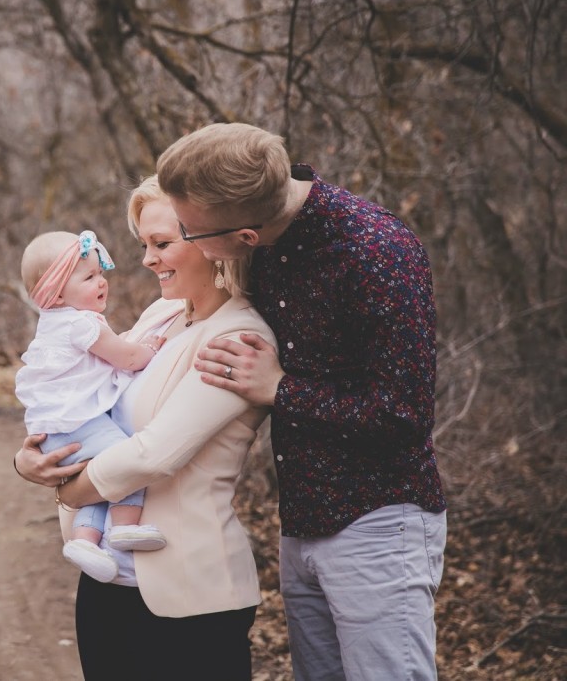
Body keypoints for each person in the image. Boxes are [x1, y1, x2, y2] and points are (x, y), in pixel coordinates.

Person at [155, 122, 448, 681]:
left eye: (189, 232)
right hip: (304, 522)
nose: (184, 238)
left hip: (378, 522)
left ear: (243, 236)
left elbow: (404, 417)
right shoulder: (265, 240)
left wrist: (279, 389)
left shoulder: (378, 252)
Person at [14, 177, 276, 680]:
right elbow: (88, 398)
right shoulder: (161, 315)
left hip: (187, 595)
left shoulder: (238, 336)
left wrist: (66, 488)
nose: (147, 259)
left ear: (213, 242)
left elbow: (153, 455)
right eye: (143, 245)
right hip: (109, 584)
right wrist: (29, 459)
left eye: (162, 244)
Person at [16, 229, 167, 584]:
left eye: (101, 274)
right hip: (76, 427)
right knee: (124, 462)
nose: (102, 283)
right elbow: (127, 358)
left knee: (99, 486)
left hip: (58, 432)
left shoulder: (56, 322)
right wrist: (151, 348)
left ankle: (85, 542)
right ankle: (125, 528)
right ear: (55, 291)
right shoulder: (80, 323)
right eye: (89, 277)